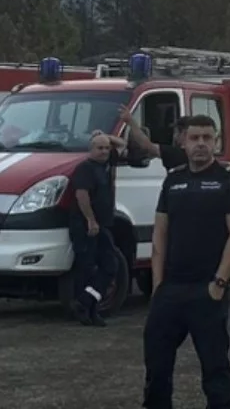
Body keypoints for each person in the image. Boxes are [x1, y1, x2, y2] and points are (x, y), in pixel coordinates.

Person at [143, 115, 230, 409]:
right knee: (156, 365)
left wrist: (218, 284)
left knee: (215, 369)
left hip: (207, 290)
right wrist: (157, 285)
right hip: (171, 289)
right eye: (194, 138)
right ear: (183, 142)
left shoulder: (229, 179)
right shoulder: (173, 180)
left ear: (215, 141)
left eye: (207, 138)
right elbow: (159, 234)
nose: (201, 144)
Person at [69, 127, 138, 326]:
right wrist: (90, 220)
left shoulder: (108, 164)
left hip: (104, 225)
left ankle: (87, 301)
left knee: (110, 266)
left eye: (107, 148)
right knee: (87, 267)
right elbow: (81, 195)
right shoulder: (85, 168)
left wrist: (107, 137)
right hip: (86, 225)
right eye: (99, 148)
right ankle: (87, 311)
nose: (104, 151)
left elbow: (123, 145)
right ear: (91, 149)